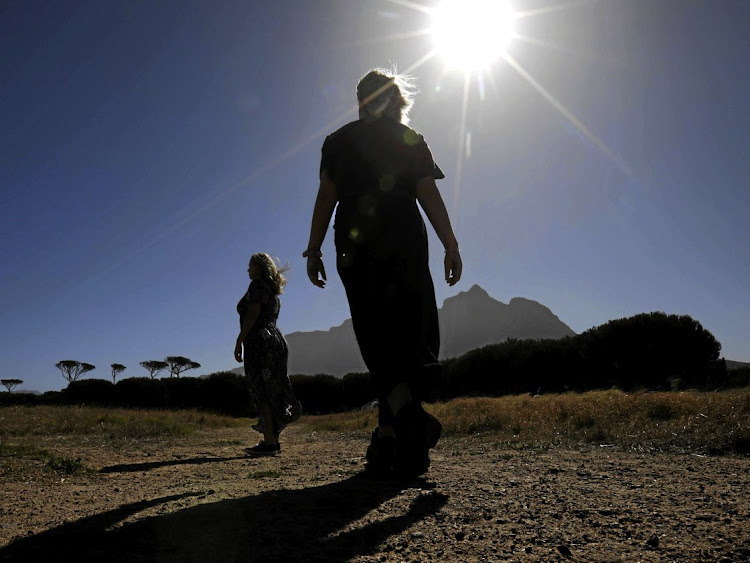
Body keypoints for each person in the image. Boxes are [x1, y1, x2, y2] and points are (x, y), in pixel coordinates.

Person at [304, 68, 462, 476]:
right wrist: (450, 243)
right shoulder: (410, 139)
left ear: (360, 100)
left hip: (354, 240)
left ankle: (406, 425)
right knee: (408, 332)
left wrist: (314, 248)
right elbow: (428, 192)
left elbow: (327, 195)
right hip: (405, 235)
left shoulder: (337, 142)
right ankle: (395, 443)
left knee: (375, 333)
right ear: (396, 101)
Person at [235, 252, 301, 456]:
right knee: (273, 389)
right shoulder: (272, 291)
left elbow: (252, 314)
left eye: (250, 265)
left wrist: (239, 340)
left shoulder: (256, 286)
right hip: (275, 340)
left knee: (261, 389)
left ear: (259, 267)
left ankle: (269, 442)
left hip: (259, 342)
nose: (248, 269)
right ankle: (272, 440)